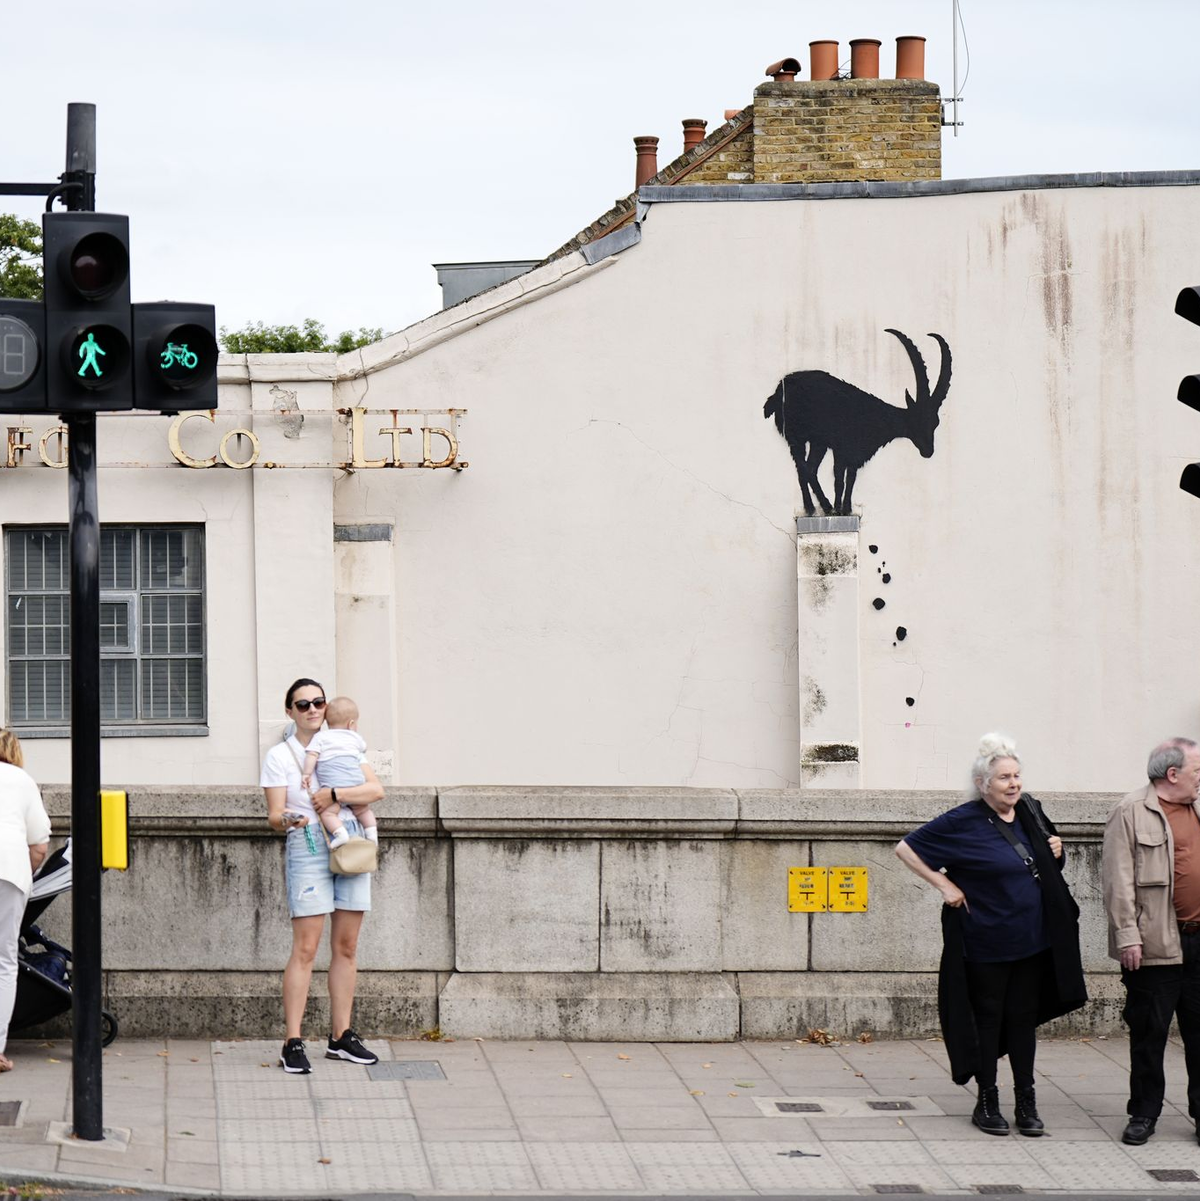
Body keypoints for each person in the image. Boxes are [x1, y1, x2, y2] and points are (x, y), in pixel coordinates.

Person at [896, 733, 1086, 1136]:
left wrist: (1058, 849)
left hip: (1032, 940)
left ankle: (1027, 1102)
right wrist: (945, 886)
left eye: (1017, 775)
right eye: (1004, 778)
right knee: (988, 1020)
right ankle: (987, 1101)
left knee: (1022, 1021)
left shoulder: (1031, 812)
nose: (1014, 783)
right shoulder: (963, 820)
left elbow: (1053, 866)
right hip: (985, 942)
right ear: (984, 784)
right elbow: (906, 849)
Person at [261, 678, 385, 1074]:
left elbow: (375, 789)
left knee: (347, 946)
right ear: (290, 711)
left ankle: (340, 1036)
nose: (312, 709)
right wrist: (289, 818)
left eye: (318, 702)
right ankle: (292, 1041)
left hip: (349, 841)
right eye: (303, 705)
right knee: (306, 949)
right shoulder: (281, 755)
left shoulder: (346, 742)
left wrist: (334, 797)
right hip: (309, 844)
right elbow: (274, 815)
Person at [1102, 737, 1200, 1146]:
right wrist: (1128, 937)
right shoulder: (1131, 811)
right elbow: (1117, 881)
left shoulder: (1197, 808)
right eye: (1197, 771)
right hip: (1155, 943)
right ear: (1172, 774)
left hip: (1199, 942)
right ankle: (1143, 1113)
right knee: (1148, 1035)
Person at [0, 730, 50, 1073]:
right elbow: (40, 846)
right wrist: (24, 874)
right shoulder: (22, 780)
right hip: (9, 874)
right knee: (4, 962)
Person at [300, 696, 378, 850]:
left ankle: (340, 833)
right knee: (363, 810)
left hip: (333, 784)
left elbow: (312, 756)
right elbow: (362, 749)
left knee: (328, 814)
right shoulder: (356, 738)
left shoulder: (320, 737)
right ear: (351, 724)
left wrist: (306, 773)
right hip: (356, 783)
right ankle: (372, 835)